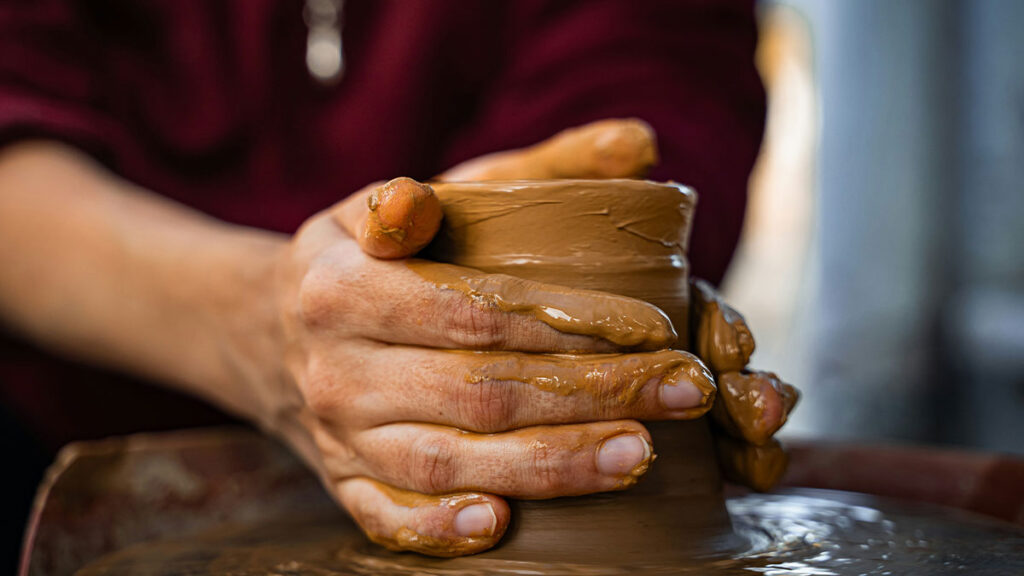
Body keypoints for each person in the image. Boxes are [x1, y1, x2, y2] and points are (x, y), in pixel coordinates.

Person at [0, 0, 767, 563]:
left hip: (509, 478)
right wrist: (261, 321)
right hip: (68, 430)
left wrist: (482, 267)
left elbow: (652, 95)